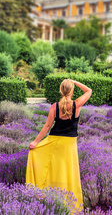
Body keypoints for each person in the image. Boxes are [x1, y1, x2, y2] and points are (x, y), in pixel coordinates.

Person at [26, 79, 92, 213]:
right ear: (72, 90)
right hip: (69, 144)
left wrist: (35, 142)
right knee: (67, 171)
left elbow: (47, 126)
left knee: (53, 169)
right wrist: (74, 81)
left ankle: (48, 198)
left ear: (61, 91)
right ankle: (68, 202)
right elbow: (89, 90)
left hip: (54, 141)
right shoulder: (76, 104)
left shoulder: (54, 106)